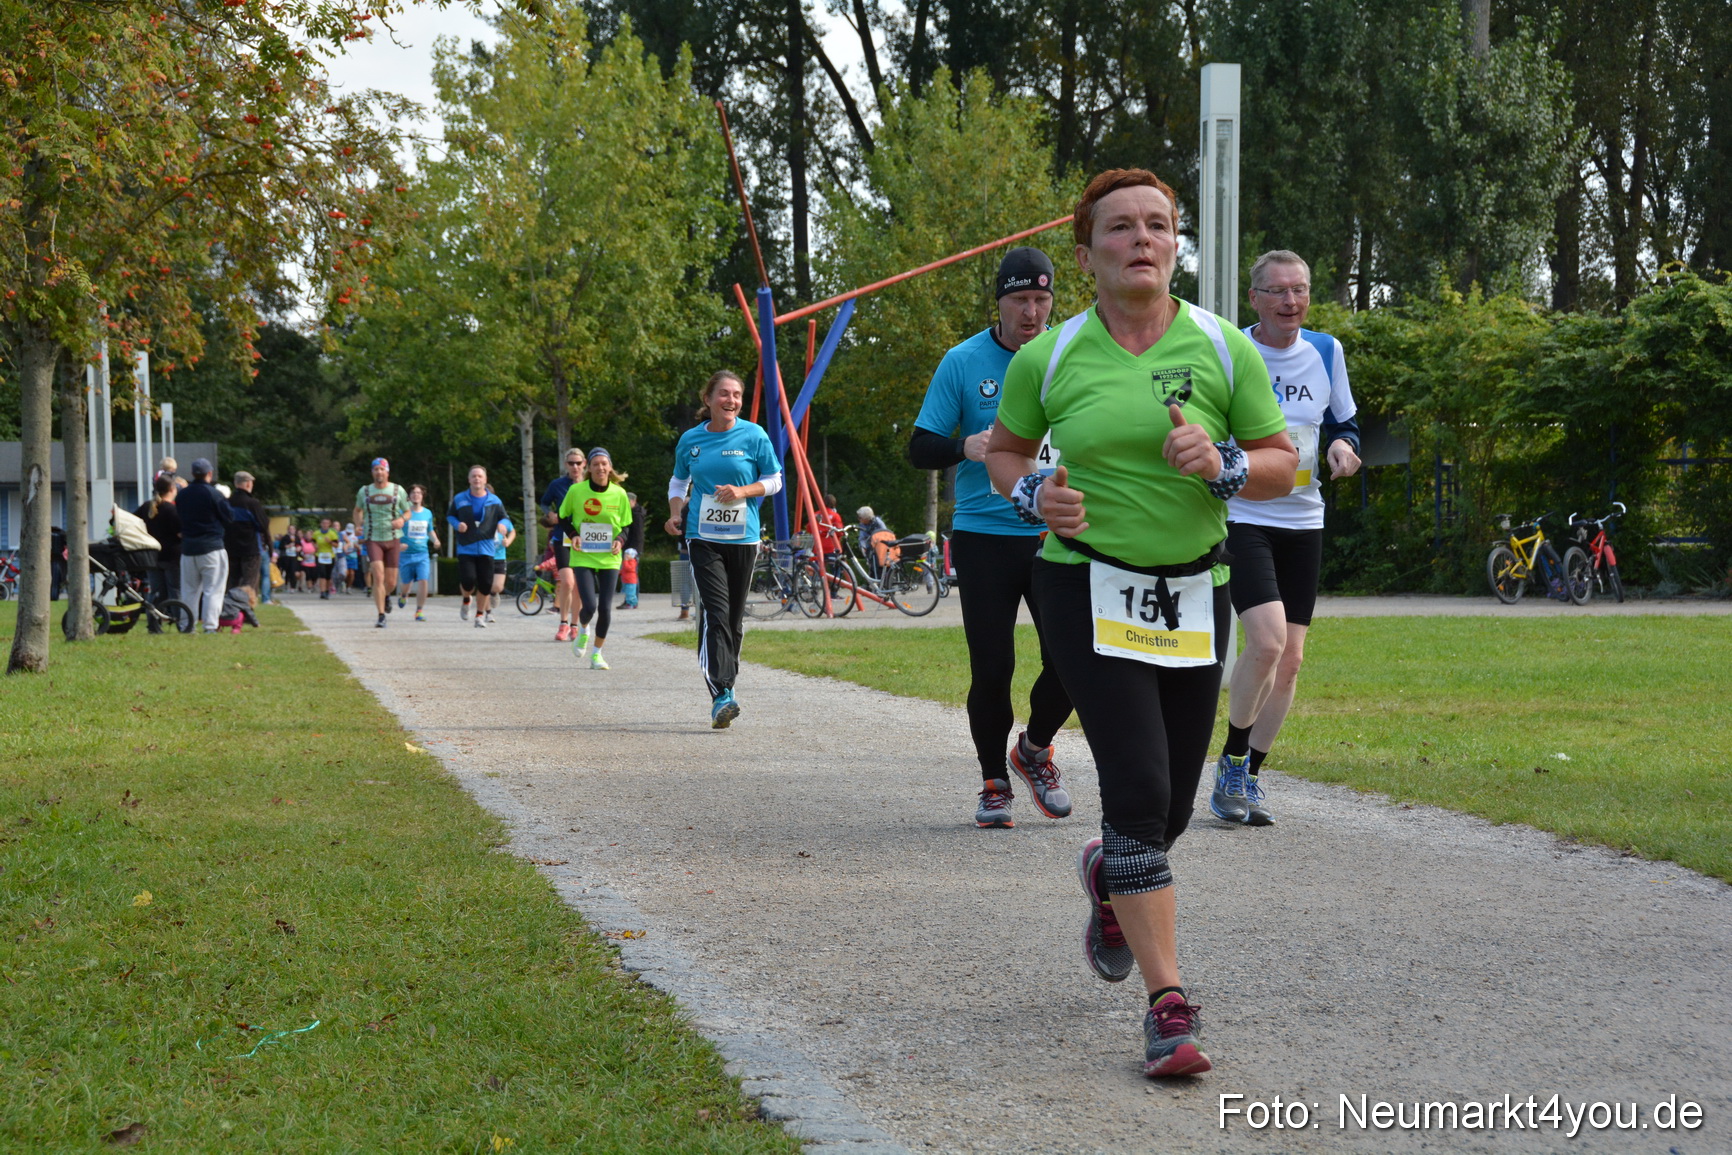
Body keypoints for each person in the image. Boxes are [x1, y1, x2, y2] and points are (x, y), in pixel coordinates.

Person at [985, 168, 1295, 1078]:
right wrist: (1035, 489)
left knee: (1165, 811)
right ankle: (1168, 1006)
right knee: (1135, 789)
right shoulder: (1051, 356)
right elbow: (1004, 451)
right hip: (1084, 589)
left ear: (1175, 244)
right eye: (1120, 228)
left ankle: (1112, 883)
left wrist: (1226, 461)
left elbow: (1284, 463)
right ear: (1087, 255)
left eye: (1158, 225)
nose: (1143, 239)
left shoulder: (1224, 347)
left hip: (1191, 592)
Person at [910, 245, 1077, 830]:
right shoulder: (962, 361)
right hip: (984, 535)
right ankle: (993, 782)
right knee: (993, 666)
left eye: (1041, 299)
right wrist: (965, 446)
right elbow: (919, 447)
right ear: (999, 303)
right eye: (1019, 300)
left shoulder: (1074, 353)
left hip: (1058, 532)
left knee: (1075, 660)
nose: (1031, 313)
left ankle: (1033, 748)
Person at [1209, 250, 1361, 827]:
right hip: (1245, 516)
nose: (1290, 301)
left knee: (1291, 662)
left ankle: (1246, 777)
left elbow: (1343, 421)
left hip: (1304, 519)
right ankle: (1230, 761)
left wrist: (1343, 448)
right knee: (1267, 642)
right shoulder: (1230, 350)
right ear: (1255, 299)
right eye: (1277, 291)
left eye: (1299, 290)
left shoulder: (1325, 350)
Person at [667, 371, 782, 726]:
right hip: (702, 536)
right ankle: (722, 693)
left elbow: (775, 480)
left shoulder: (755, 435)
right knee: (715, 613)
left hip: (744, 537)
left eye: (736, 395)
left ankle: (726, 688)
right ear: (708, 399)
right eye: (723, 394)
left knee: (733, 618)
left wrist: (742, 491)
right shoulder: (691, 440)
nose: (730, 400)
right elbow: (679, 479)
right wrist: (674, 512)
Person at [560, 448, 631, 668]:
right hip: (584, 556)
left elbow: (627, 524)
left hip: (609, 557)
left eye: (604, 463)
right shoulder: (576, 491)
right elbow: (563, 517)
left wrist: (619, 539)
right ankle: (583, 629)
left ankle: (597, 654)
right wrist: (573, 535)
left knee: (605, 608)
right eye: (596, 464)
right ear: (589, 468)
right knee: (589, 605)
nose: (600, 467)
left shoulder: (619, 493)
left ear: (610, 467)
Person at [176, 458, 237, 633]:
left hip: (188, 548)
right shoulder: (214, 494)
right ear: (209, 473)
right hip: (211, 547)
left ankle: (187, 625)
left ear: (193, 474)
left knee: (189, 590)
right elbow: (229, 517)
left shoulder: (183, 494)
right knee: (213, 589)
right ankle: (210, 626)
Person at [447, 465, 507, 627]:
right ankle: (466, 600)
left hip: (487, 548)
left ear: (485, 479)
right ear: (469, 479)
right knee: (468, 580)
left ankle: (479, 615)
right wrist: (457, 524)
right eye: (474, 476)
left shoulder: (495, 501)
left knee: (486, 583)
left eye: (480, 476)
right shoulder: (460, 498)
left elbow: (504, 518)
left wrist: (502, 525)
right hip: (466, 546)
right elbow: (450, 516)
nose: (477, 479)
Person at [355, 457, 410, 628]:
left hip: (393, 538)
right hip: (373, 538)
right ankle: (380, 616)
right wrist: (358, 524)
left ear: (387, 472)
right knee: (377, 576)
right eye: (376, 469)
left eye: (382, 469)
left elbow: (408, 511)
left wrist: (402, 519)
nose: (379, 472)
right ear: (372, 472)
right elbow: (357, 510)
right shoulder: (364, 491)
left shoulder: (397, 490)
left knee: (391, 582)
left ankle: (386, 596)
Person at [539, 448, 586, 642]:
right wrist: (550, 514)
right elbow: (544, 502)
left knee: (579, 587)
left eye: (578, 463)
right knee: (567, 582)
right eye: (570, 463)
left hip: (586, 540)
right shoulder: (557, 484)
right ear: (565, 465)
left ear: (584, 464)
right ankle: (563, 623)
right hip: (562, 538)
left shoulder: (591, 485)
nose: (574, 466)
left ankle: (575, 625)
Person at [395, 484, 441, 621]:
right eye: (413, 493)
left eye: (419, 493)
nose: (416, 495)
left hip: (422, 554)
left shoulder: (427, 513)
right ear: (409, 496)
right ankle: (404, 595)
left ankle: (419, 611)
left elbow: (430, 530)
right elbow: (394, 529)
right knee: (406, 584)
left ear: (422, 496)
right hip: (406, 554)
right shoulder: (403, 513)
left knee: (423, 580)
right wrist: (398, 544)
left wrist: (436, 540)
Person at [135, 476, 182, 605]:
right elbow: (180, 533)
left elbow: (133, 521)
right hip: (171, 556)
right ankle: (179, 619)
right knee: (175, 590)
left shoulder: (146, 507)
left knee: (156, 591)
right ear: (172, 489)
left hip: (151, 555)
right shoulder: (172, 510)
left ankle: (153, 620)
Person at [225, 471, 269, 604]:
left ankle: (230, 609)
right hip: (250, 548)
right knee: (249, 582)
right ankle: (246, 611)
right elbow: (263, 525)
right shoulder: (252, 503)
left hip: (230, 547)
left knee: (232, 581)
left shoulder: (227, 502)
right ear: (249, 484)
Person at [487, 491, 516, 626]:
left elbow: (512, 531)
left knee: (498, 586)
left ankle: (494, 593)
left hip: (499, 556)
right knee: (484, 585)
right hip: (484, 555)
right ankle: (488, 613)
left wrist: (508, 541)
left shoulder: (502, 518)